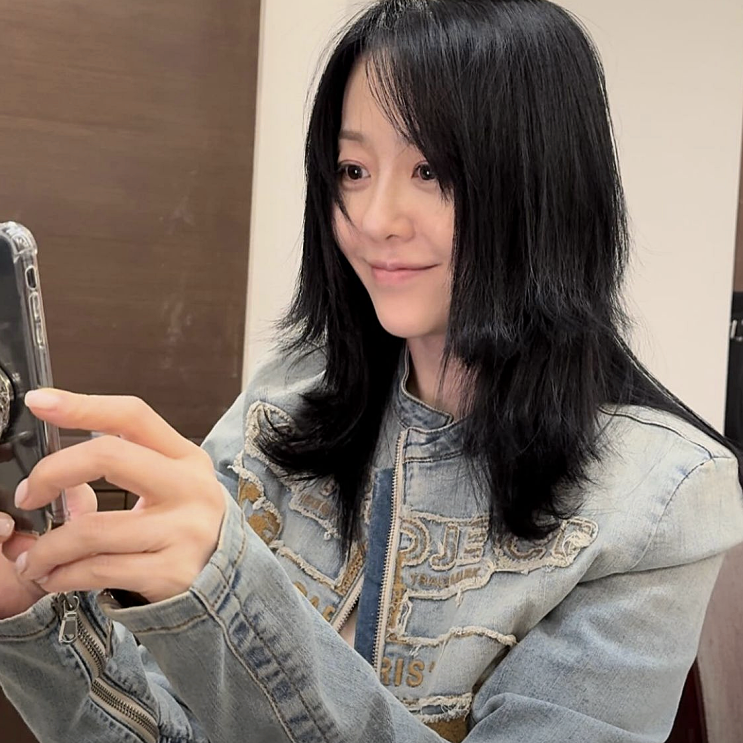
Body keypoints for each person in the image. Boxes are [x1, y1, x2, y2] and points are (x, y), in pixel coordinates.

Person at [1, 1, 742, 741]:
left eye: (430, 170)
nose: (376, 218)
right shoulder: (285, 400)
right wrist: (31, 621)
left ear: (542, 184)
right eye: (352, 170)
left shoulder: (660, 499)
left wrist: (230, 594)